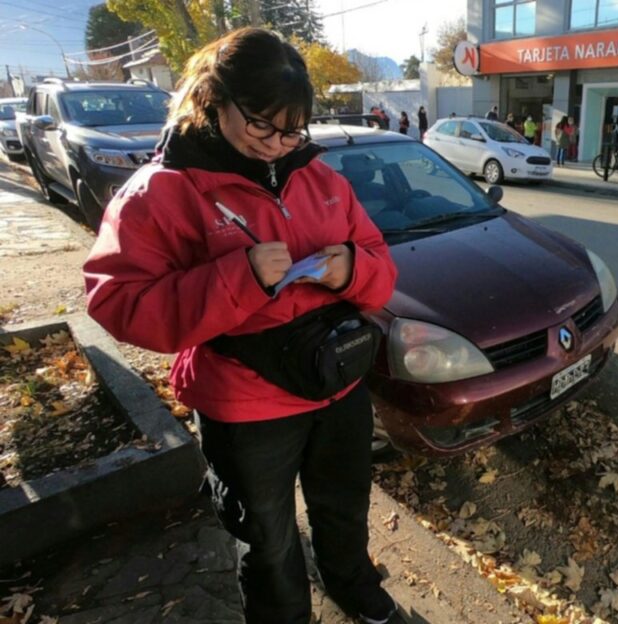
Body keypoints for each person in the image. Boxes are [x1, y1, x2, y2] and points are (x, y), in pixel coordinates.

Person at [81, 28, 399, 624]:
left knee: (344, 505)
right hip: (246, 404)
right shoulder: (163, 192)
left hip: (339, 382)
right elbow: (115, 300)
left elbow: (382, 269)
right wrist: (239, 278)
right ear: (214, 100)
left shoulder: (323, 178)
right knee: (269, 538)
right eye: (261, 125)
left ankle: (352, 583)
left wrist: (354, 269)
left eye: (292, 128)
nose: (279, 143)